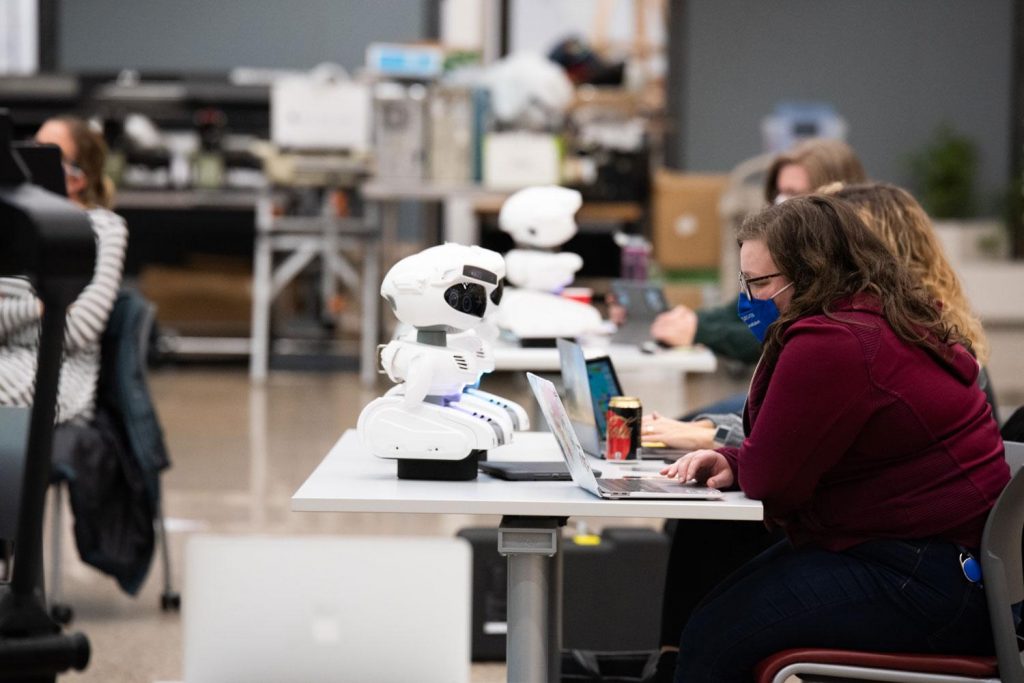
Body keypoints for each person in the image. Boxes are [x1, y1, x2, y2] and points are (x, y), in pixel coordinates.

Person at [661, 195, 1008, 682]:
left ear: (812, 273)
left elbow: (771, 481)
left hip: (925, 579)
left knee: (716, 636)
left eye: (760, 283)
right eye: (746, 282)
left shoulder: (836, 342)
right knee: (717, 612)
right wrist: (737, 461)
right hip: (953, 568)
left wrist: (749, 465)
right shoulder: (885, 318)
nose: (751, 300)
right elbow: (817, 450)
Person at [0, 115, 128, 424]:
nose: (31, 158)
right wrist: (42, 308)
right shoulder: (12, 225)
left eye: (46, 152)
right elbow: (58, 319)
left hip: (57, 374)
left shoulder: (103, 229)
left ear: (76, 177)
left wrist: (10, 316)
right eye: (31, 147)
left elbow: (76, 330)